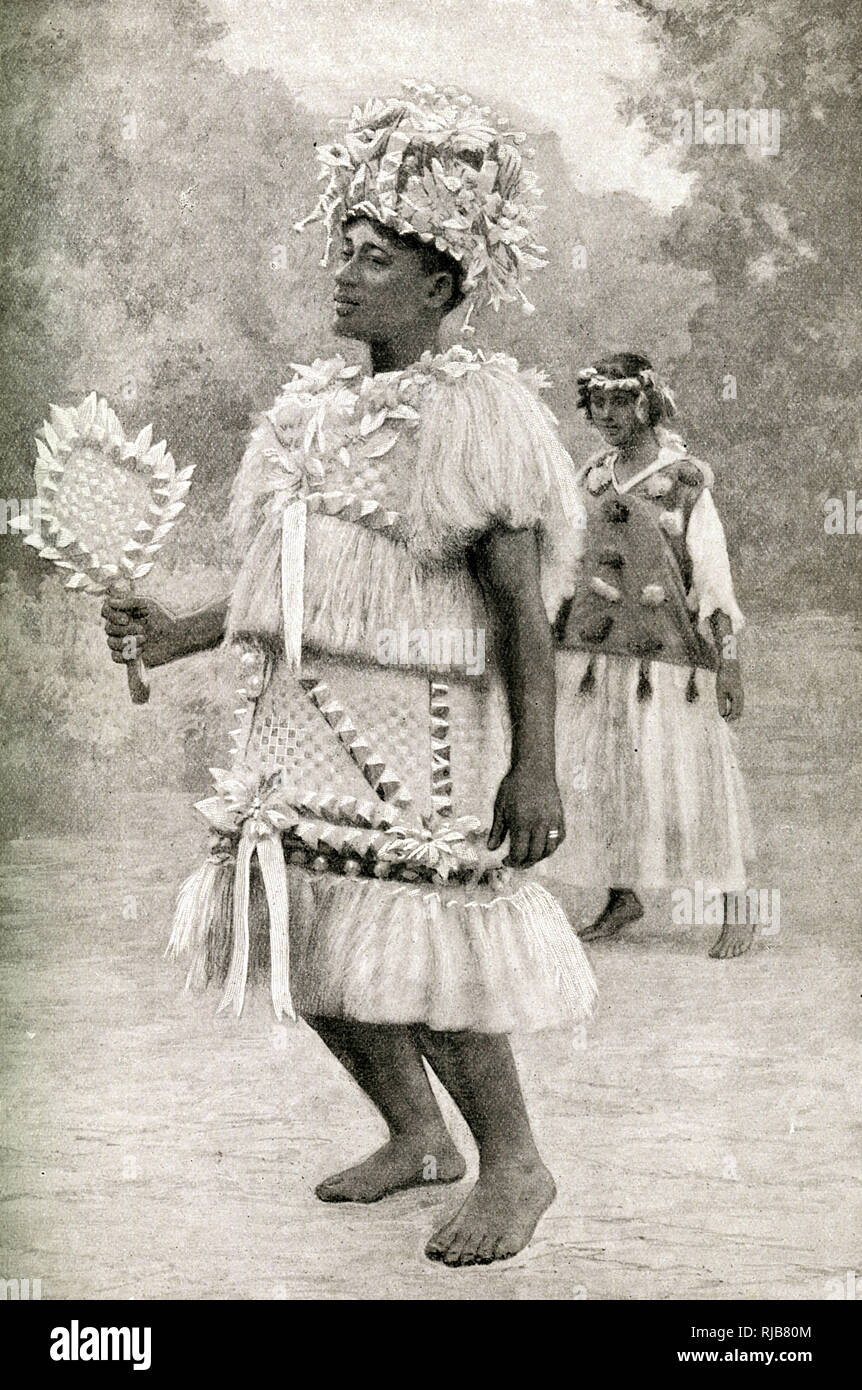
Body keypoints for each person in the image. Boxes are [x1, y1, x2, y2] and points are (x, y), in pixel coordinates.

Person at [102, 83, 596, 1268]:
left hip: (418, 723)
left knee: (419, 942)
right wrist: (176, 631)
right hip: (294, 724)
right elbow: (293, 581)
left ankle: (515, 1160)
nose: (344, 273)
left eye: (373, 259)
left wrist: (537, 763)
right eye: (343, 250)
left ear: (437, 287)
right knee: (302, 930)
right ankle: (415, 1133)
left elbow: (523, 616)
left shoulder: (481, 410)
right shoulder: (307, 411)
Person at [544, 352, 754, 958]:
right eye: (597, 402)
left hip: (667, 658)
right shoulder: (590, 477)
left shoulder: (685, 481)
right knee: (606, 773)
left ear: (648, 403)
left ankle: (735, 904)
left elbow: (713, 577)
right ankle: (622, 896)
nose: (607, 414)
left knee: (686, 774)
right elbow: (567, 564)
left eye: (620, 401)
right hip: (592, 652)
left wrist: (729, 657)